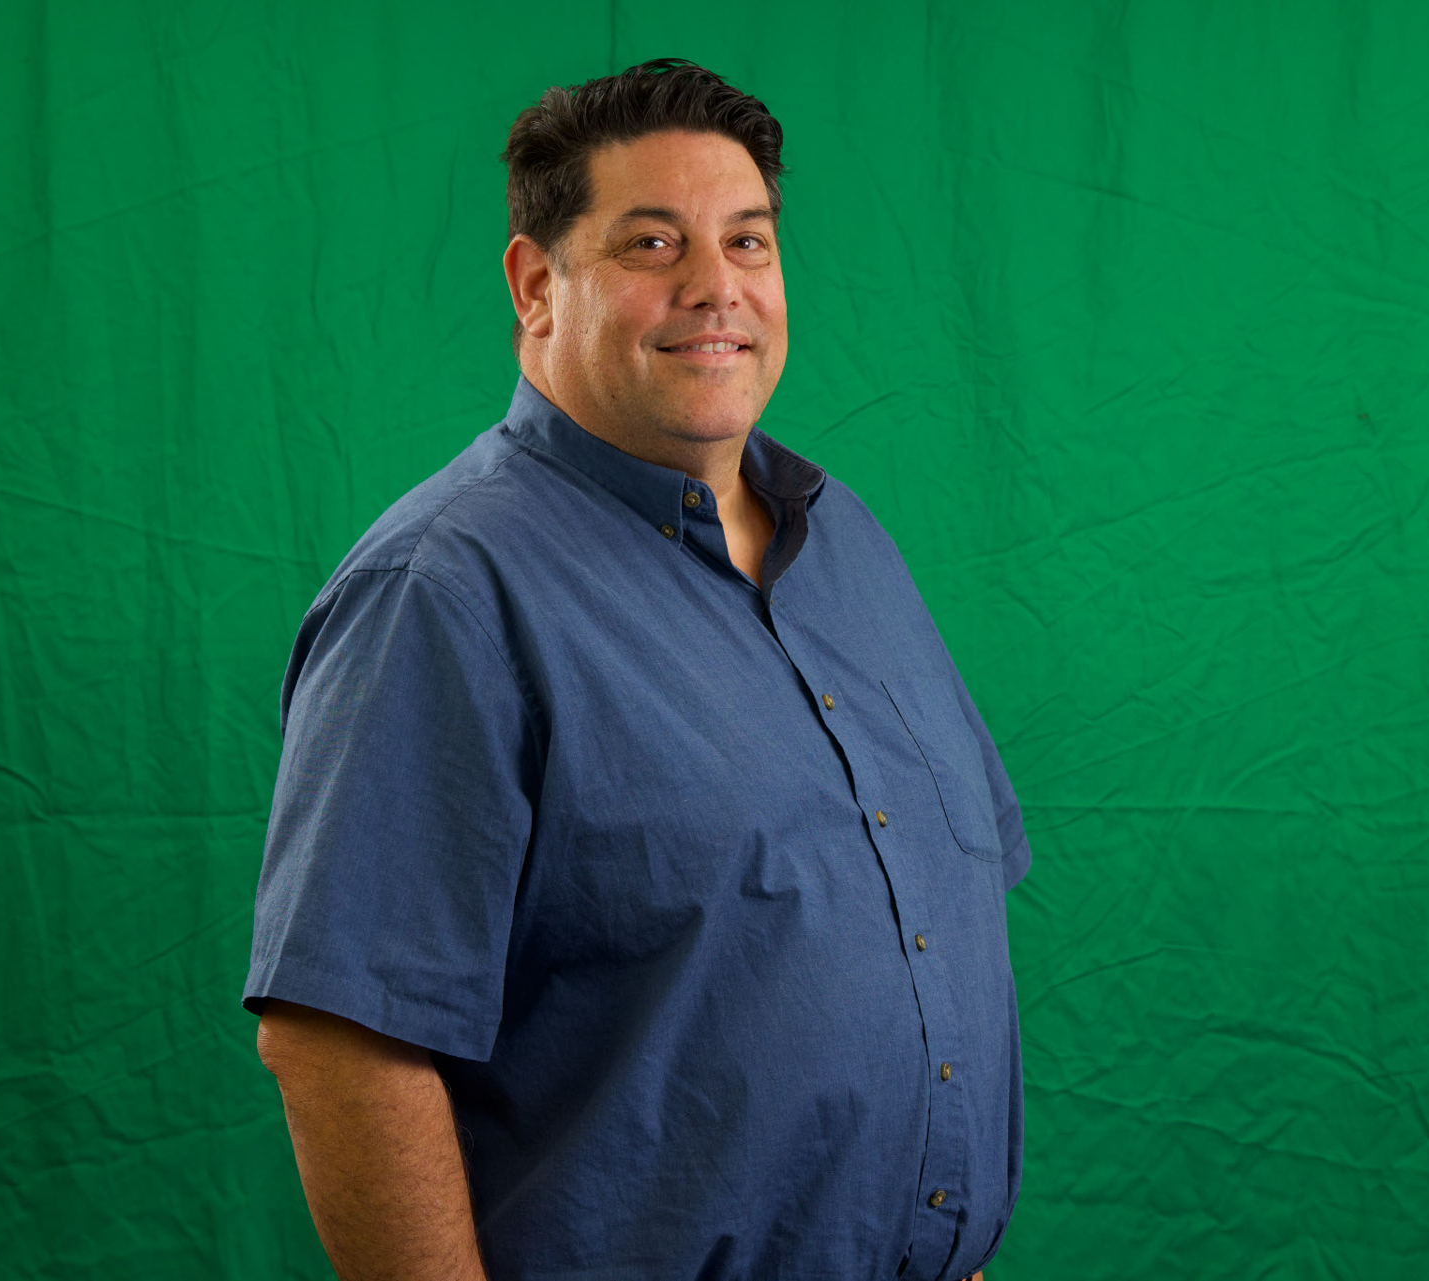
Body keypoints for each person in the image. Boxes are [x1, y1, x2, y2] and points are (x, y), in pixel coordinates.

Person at [244, 58, 1030, 1281]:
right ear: (535, 287)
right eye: (653, 244)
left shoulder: (848, 544)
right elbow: (340, 1044)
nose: (716, 286)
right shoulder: (443, 594)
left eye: (747, 241)